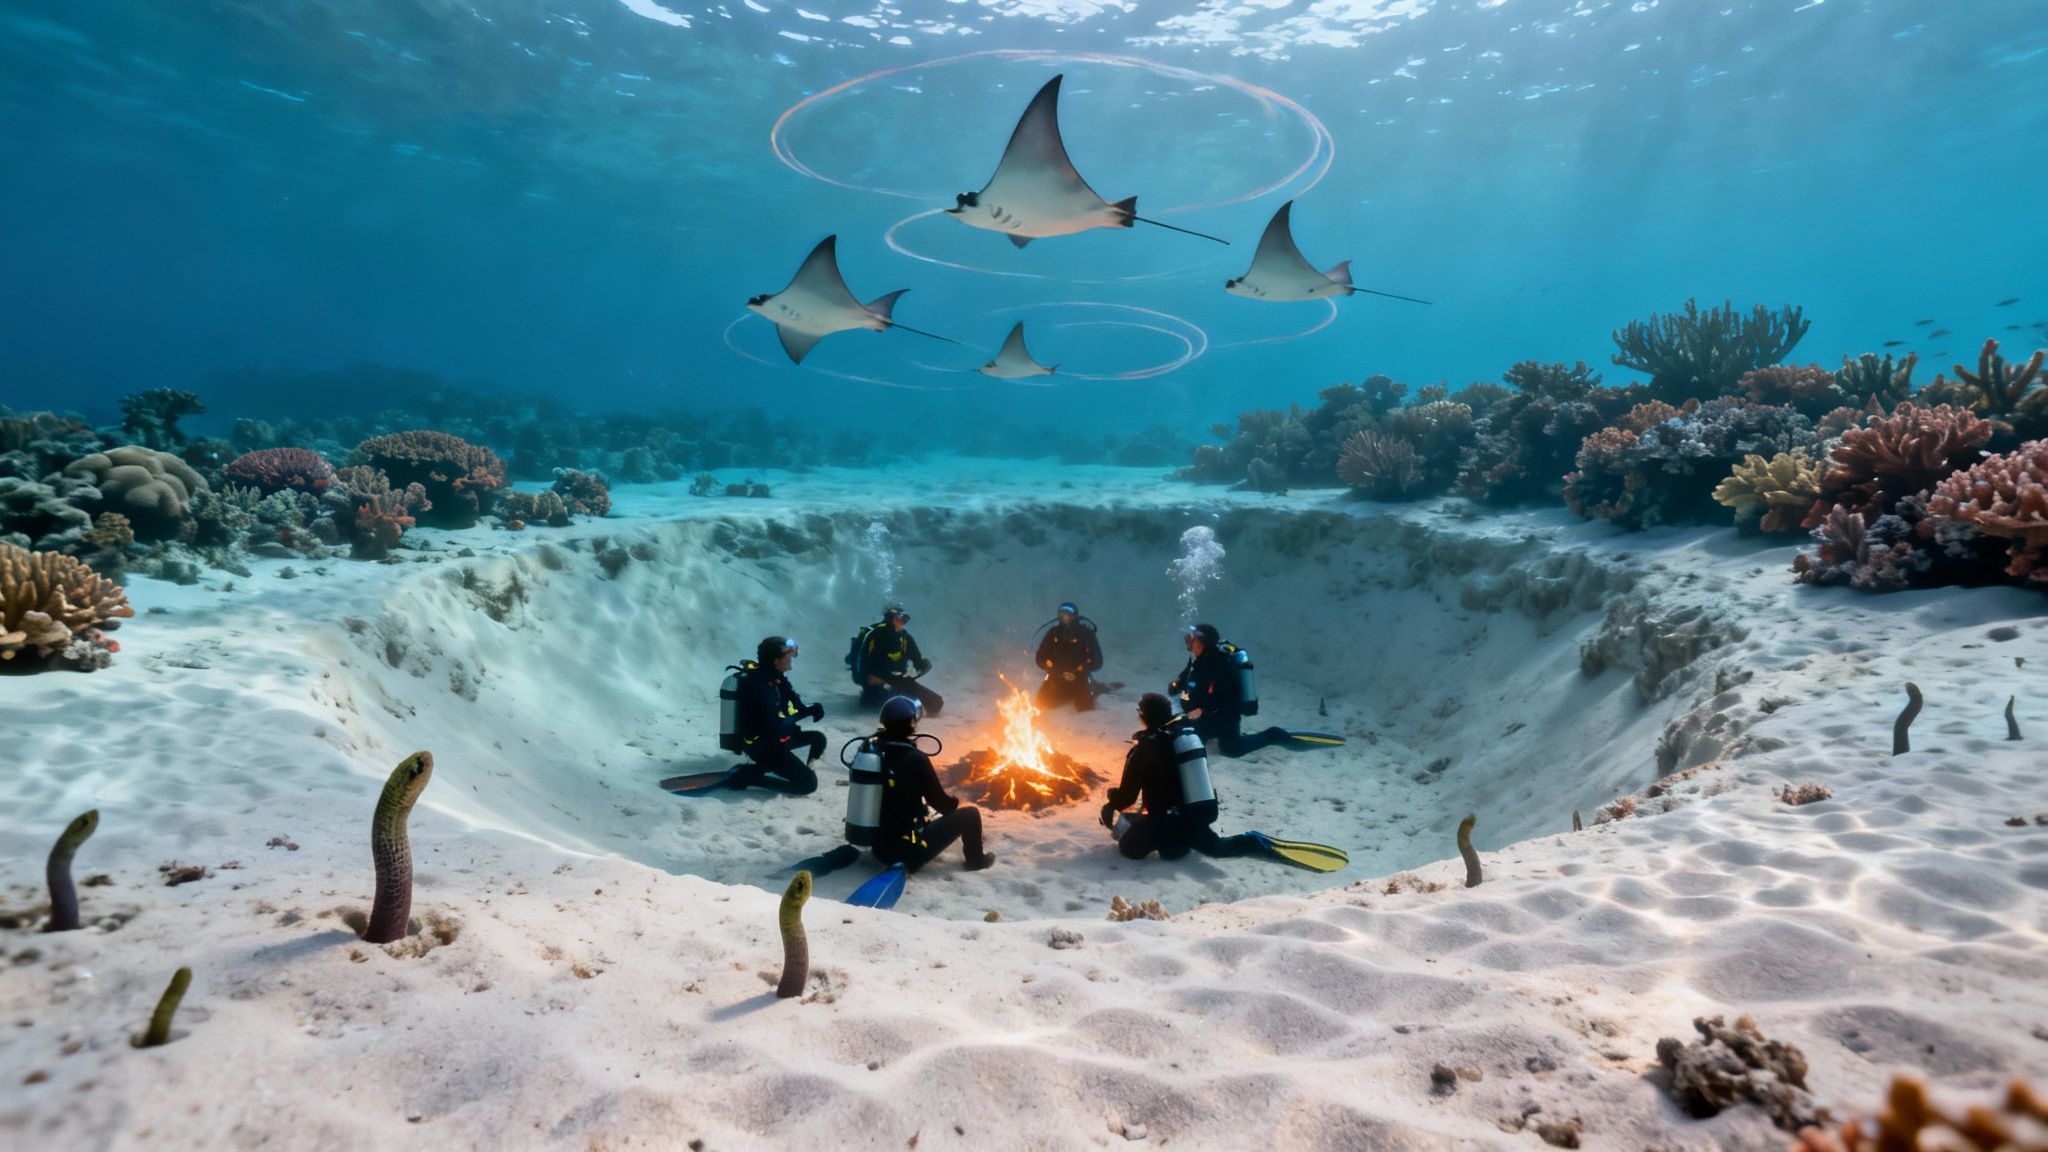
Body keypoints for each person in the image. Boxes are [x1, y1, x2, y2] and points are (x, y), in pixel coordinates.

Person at [1099, 693, 1262, 861]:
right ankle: (1254, 842)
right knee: (1216, 848)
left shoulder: (1144, 748)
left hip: (1163, 820)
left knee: (1129, 849)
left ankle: (1170, 842)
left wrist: (1111, 804)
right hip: (1192, 818)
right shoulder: (1181, 735)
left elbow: (1128, 797)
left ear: (1143, 716)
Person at [867, 695, 995, 872]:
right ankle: (976, 861)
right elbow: (944, 806)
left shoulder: (870, 751)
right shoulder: (915, 759)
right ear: (911, 724)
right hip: (908, 853)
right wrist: (956, 800)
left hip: (879, 850)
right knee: (971, 815)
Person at [1169, 623, 1290, 758]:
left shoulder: (1220, 664)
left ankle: (1272, 735)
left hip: (1224, 717)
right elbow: (1188, 675)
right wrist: (1177, 684)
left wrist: (1203, 711)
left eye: (1193, 639)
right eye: (1188, 638)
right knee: (1187, 738)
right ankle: (1208, 732)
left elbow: (1231, 695)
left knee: (1232, 750)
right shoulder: (1198, 659)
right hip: (1203, 715)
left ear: (1203, 643)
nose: (1189, 642)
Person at [729, 636, 825, 794]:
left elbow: (794, 708)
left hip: (778, 739)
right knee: (807, 785)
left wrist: (810, 709)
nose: (791, 658)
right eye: (787, 654)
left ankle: (796, 769)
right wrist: (804, 713)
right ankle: (747, 777)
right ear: (776, 660)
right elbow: (774, 724)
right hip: (763, 746)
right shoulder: (759, 685)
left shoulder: (777, 679)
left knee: (819, 738)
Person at [856, 603, 944, 717]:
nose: (902, 622)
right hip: (876, 680)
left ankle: (888, 696)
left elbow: (916, 656)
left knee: (936, 702)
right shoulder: (876, 634)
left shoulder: (904, 637)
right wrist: (873, 679)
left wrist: (922, 665)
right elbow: (864, 661)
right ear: (890, 618)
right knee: (873, 703)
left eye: (904, 619)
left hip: (897, 679)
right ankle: (871, 696)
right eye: (899, 618)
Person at [1034, 601, 1103, 712]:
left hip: (1079, 677)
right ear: (1058, 615)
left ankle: (1095, 687)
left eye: (1069, 614)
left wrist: (1083, 667)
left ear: (1075, 615)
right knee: (1042, 703)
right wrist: (1048, 665)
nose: (1065, 617)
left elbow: (1098, 661)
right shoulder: (1053, 633)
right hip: (1056, 676)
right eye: (1062, 614)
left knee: (1084, 708)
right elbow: (1039, 658)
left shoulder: (1086, 633)